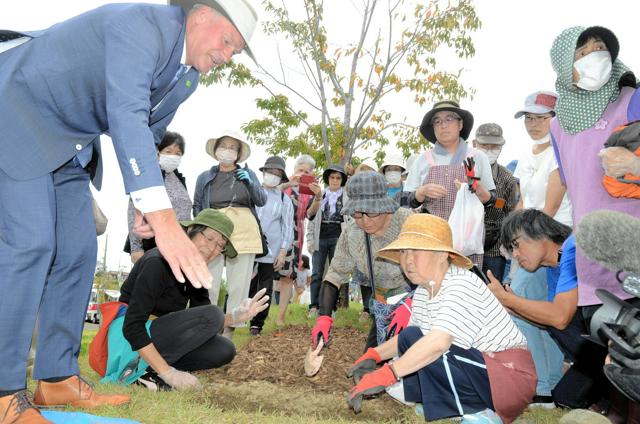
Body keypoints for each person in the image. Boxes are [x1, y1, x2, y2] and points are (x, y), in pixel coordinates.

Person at [0, 0, 257, 420]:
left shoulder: (187, 79)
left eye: (236, 50)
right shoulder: (141, 25)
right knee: (31, 244)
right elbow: (126, 117)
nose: (227, 56)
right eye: (227, 41)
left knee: (78, 252)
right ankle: (3, 393)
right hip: (17, 112)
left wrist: (143, 203)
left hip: (72, 143)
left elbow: (149, 135)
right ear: (202, 14)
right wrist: (165, 221)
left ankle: (56, 379)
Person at [347, 214, 534, 423]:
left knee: (434, 348)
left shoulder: (460, 284)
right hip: (483, 369)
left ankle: (483, 412)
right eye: (403, 251)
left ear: (442, 255)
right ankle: (444, 403)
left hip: (509, 377)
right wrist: (374, 355)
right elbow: (407, 340)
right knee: (412, 336)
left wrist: (388, 373)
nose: (408, 260)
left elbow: (438, 343)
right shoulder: (423, 291)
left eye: (417, 250)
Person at [487, 209, 640, 410]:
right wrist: (514, 307)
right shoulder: (553, 268)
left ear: (540, 232)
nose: (515, 254)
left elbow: (560, 318)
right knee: (565, 398)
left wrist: (508, 298)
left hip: (628, 338)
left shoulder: (573, 247)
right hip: (607, 346)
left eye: (516, 244)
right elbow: (556, 322)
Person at [102, 209, 268, 390]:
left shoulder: (195, 273)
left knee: (224, 349)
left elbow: (207, 326)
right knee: (213, 314)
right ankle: (145, 370)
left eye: (220, 245)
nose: (212, 249)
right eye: (209, 238)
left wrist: (236, 317)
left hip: (156, 335)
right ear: (190, 231)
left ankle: (148, 375)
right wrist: (168, 373)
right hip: (126, 339)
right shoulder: (157, 262)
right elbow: (132, 326)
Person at [549, 25, 640, 309]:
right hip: (591, 272)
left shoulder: (633, 100)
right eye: (582, 52)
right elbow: (578, 189)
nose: (594, 56)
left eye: (600, 48)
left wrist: (636, 164)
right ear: (565, 66)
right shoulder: (557, 125)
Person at [511, 91, 571, 405]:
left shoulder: (560, 152)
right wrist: (513, 240)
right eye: (529, 118)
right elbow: (522, 204)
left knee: (524, 312)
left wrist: (525, 244)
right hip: (526, 242)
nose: (533, 124)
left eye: (541, 117)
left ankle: (545, 386)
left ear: (555, 118)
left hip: (551, 244)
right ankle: (551, 385)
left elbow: (550, 208)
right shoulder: (527, 155)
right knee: (532, 315)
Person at [310, 171, 413, 351]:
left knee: (413, 365)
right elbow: (334, 275)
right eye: (357, 214)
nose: (365, 221)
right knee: (369, 365)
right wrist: (324, 317)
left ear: (385, 206)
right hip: (384, 305)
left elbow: (440, 273)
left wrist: (413, 304)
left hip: (422, 304)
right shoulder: (352, 233)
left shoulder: (409, 223)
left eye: (371, 213)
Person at [405, 100, 496, 268]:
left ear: (460, 124)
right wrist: (421, 193)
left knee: (465, 286)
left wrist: (476, 189)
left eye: (449, 119)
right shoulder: (423, 160)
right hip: (432, 239)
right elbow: (403, 200)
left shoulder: (477, 157)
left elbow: (495, 203)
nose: (443, 126)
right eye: (437, 121)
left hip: (467, 239)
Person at [193, 130, 266, 338]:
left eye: (233, 147)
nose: (228, 150)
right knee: (209, 282)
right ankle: (204, 329)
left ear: (239, 153)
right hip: (213, 228)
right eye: (224, 146)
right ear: (216, 150)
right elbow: (197, 205)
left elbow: (261, 200)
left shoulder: (248, 174)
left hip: (244, 229)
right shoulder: (204, 177)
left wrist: (250, 184)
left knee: (238, 284)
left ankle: (228, 335)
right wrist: (200, 231)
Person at [125, 131, 192, 263]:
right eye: (168, 151)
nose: (173, 156)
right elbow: (134, 212)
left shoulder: (180, 179)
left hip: (178, 246)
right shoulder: (147, 177)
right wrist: (136, 248)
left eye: (178, 153)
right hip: (152, 244)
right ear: (158, 152)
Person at [248, 156, 294, 335]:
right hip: (249, 247)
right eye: (270, 172)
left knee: (265, 287)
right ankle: (235, 318)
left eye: (277, 174)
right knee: (245, 284)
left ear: (281, 177)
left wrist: (283, 251)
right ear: (264, 172)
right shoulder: (251, 191)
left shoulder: (284, 199)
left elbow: (288, 227)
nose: (273, 176)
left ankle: (257, 324)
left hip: (271, 251)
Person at [472, 123, 518, 282]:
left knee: (492, 293)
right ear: (474, 144)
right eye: (485, 145)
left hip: (493, 249)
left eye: (495, 146)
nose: (489, 150)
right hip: (463, 247)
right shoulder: (460, 171)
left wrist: (492, 200)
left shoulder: (507, 179)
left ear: (501, 147)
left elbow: (512, 210)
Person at [278, 155, 322, 319]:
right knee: (265, 273)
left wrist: (318, 197)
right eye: (300, 170)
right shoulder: (282, 183)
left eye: (307, 171)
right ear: (294, 170)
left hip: (295, 234)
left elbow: (310, 214)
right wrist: (289, 184)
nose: (302, 173)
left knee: (288, 276)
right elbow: (267, 196)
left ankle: (280, 317)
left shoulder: (309, 191)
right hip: (274, 231)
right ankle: (257, 318)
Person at [307, 165, 349, 315]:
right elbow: (310, 215)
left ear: (342, 180)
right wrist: (317, 198)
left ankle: (332, 306)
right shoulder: (320, 194)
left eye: (338, 178)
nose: (335, 180)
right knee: (317, 272)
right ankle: (314, 305)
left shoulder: (346, 197)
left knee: (335, 273)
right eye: (332, 177)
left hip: (338, 237)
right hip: (320, 237)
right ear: (327, 179)